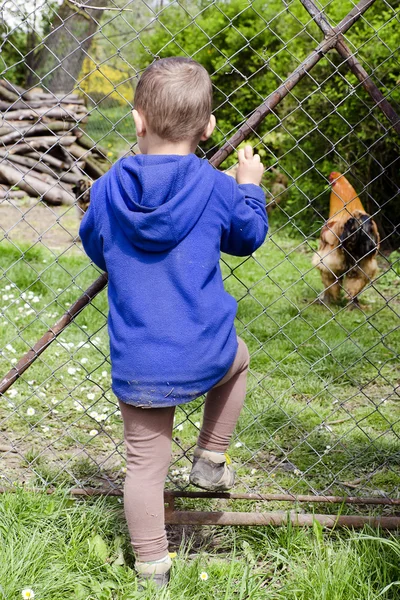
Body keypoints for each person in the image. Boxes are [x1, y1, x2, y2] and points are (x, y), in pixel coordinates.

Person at [79, 56, 268, 588]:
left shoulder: (110, 186)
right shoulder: (215, 186)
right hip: (206, 349)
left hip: (139, 358)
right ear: (208, 128)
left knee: (144, 464)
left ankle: (153, 567)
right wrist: (249, 185)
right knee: (241, 359)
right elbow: (248, 237)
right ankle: (211, 455)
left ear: (138, 120)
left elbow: (96, 244)